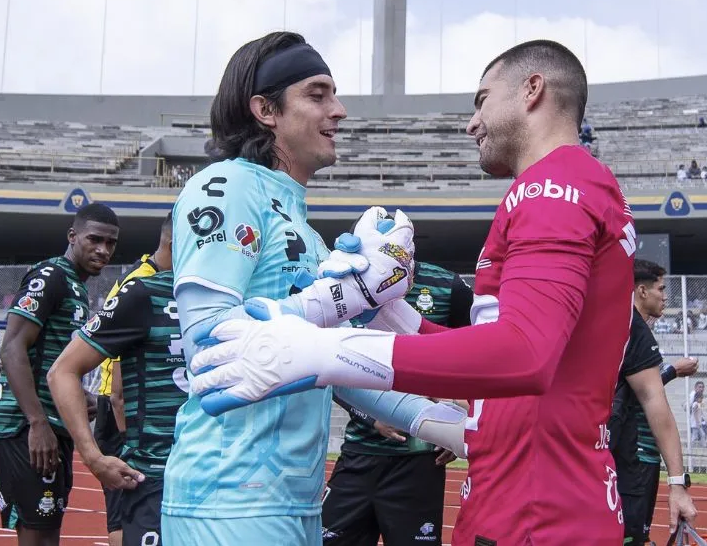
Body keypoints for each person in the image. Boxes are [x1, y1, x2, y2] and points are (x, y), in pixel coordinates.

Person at [190, 39, 639, 545]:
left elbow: (525, 354)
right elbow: (515, 353)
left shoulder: (551, 188)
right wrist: (388, 314)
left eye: (482, 100)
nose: (472, 123)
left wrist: (323, 348)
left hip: (535, 511)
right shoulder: (573, 185)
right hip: (534, 491)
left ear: (532, 90)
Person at [161, 31, 467, 546]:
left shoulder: (305, 228)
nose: (339, 110)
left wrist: (445, 426)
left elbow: (330, 367)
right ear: (265, 110)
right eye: (317, 94)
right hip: (227, 499)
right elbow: (208, 348)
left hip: (294, 501)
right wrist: (345, 296)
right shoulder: (226, 185)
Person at [0, 203, 119, 546]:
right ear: (72, 236)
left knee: (48, 533)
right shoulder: (51, 276)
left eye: (110, 243)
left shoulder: (77, 287)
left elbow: (52, 363)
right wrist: (37, 423)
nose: (103, 250)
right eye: (94, 239)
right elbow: (11, 348)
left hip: (52, 426)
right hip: (26, 427)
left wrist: (76, 397)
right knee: (38, 534)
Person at [48, 216, 182, 546]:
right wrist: (98, 455)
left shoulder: (217, 297)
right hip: (135, 435)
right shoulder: (142, 286)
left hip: (206, 473)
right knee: (119, 521)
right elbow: (66, 370)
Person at [322, 261, 474, 546]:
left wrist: (456, 423)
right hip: (359, 453)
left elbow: (476, 358)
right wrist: (370, 416)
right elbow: (329, 366)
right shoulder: (346, 286)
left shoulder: (448, 286)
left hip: (419, 461)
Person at [91, 213, 173, 546]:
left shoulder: (150, 278)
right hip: (123, 409)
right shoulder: (140, 284)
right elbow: (119, 380)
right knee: (126, 513)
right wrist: (127, 433)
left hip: (131, 406)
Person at [610, 259, 699, 545]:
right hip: (632, 454)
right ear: (641, 291)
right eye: (660, 289)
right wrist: (673, 371)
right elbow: (643, 393)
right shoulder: (626, 327)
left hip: (639, 451)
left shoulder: (635, 329)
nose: (665, 296)